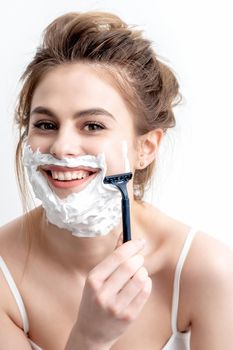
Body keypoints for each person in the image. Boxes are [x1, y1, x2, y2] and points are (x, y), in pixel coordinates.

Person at [0, 11, 232, 350]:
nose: (63, 147)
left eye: (92, 125)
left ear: (145, 148)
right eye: (46, 125)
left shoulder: (206, 271)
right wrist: (89, 339)